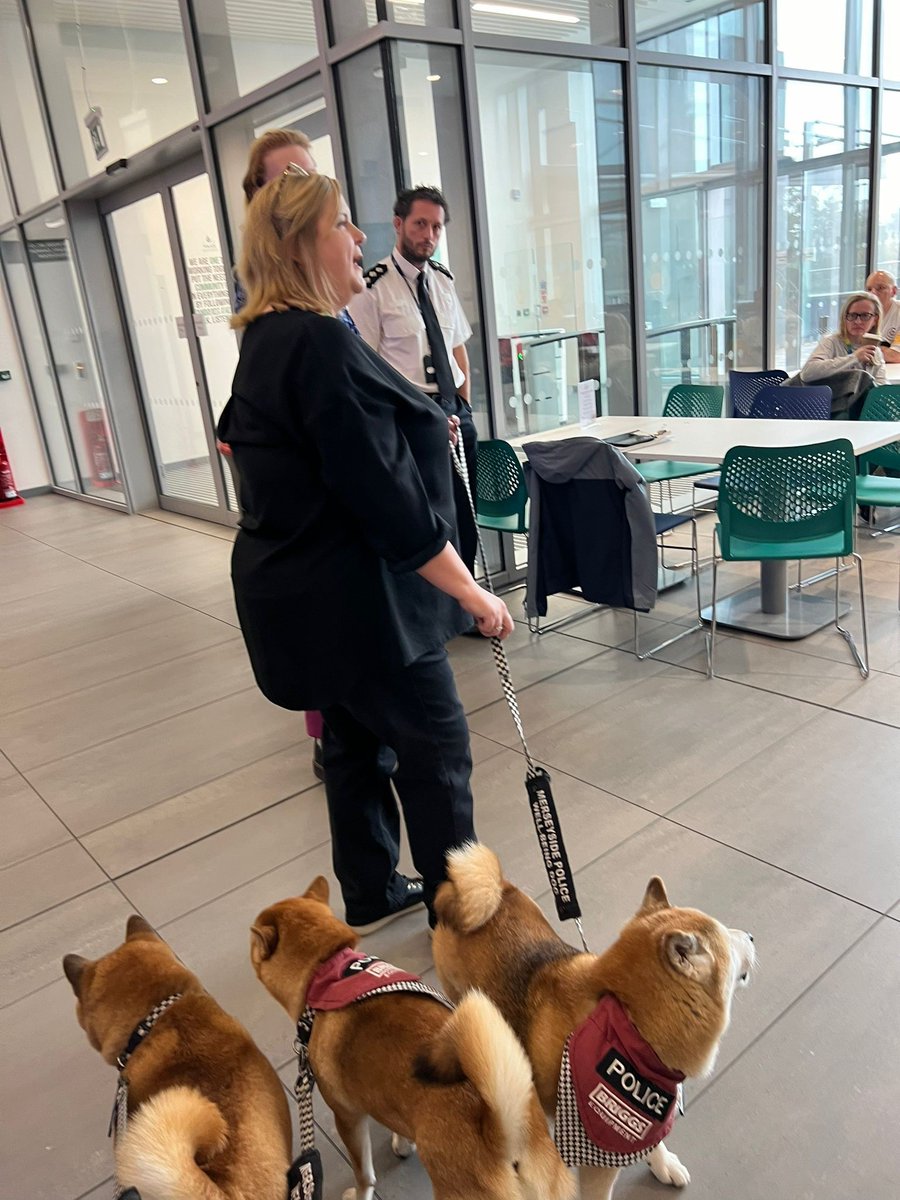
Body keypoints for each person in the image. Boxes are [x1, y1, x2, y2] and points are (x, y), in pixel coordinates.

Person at [216, 167, 514, 934]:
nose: (358, 239)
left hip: (307, 601)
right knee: (437, 750)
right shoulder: (317, 341)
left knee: (353, 745)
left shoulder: (268, 337)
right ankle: (468, 927)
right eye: (340, 224)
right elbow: (387, 505)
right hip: (363, 604)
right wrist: (472, 593)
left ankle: (374, 886)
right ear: (297, 245)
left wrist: (409, 416)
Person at [347, 186, 480, 596]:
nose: (429, 235)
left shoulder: (441, 280)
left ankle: (469, 600)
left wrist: (464, 405)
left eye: (437, 227)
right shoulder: (373, 287)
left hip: (453, 407)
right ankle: (435, 601)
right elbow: (366, 365)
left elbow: (458, 347)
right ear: (399, 224)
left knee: (465, 510)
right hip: (413, 413)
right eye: (421, 224)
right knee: (428, 515)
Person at [799, 291, 885, 418]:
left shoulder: (875, 351)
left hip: (860, 413)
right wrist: (853, 358)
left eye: (865, 316)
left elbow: (881, 388)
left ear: (875, 320)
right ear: (845, 318)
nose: (858, 321)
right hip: (824, 411)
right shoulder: (832, 341)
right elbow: (807, 372)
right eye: (852, 315)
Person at [865, 270, 900, 363]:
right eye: (869, 289)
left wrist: (864, 349)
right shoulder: (860, 313)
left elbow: (896, 356)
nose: (873, 293)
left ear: (894, 291)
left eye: (880, 288)